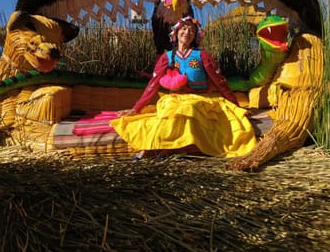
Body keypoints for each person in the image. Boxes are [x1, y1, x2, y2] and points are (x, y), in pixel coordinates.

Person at [110, 16, 257, 160]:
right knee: (168, 107)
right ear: (176, 32)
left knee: (189, 107)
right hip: (176, 98)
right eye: (184, 29)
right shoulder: (166, 57)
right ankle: (150, 146)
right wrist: (136, 108)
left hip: (201, 98)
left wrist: (236, 106)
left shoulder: (202, 55)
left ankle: (166, 149)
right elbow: (153, 84)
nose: (187, 33)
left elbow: (220, 82)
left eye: (191, 30)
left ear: (196, 36)